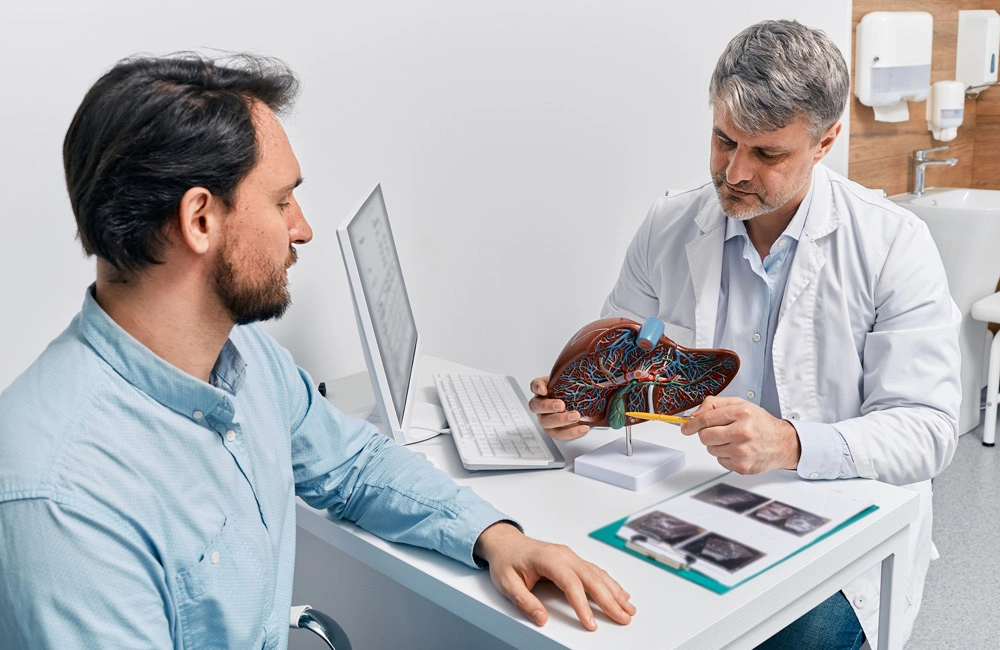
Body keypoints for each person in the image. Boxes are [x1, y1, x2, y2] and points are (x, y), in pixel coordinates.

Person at [0, 54, 635, 648]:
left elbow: (353, 465)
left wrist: (494, 538)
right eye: (281, 201)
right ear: (200, 220)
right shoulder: (61, 499)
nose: (301, 227)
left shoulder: (242, 359)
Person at [529, 19, 961, 650]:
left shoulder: (893, 244)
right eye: (722, 139)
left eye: (766, 154)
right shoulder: (669, 225)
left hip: (836, 529)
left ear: (826, 141)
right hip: (685, 500)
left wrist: (789, 443)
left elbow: (927, 430)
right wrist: (582, 409)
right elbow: (623, 358)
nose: (732, 172)